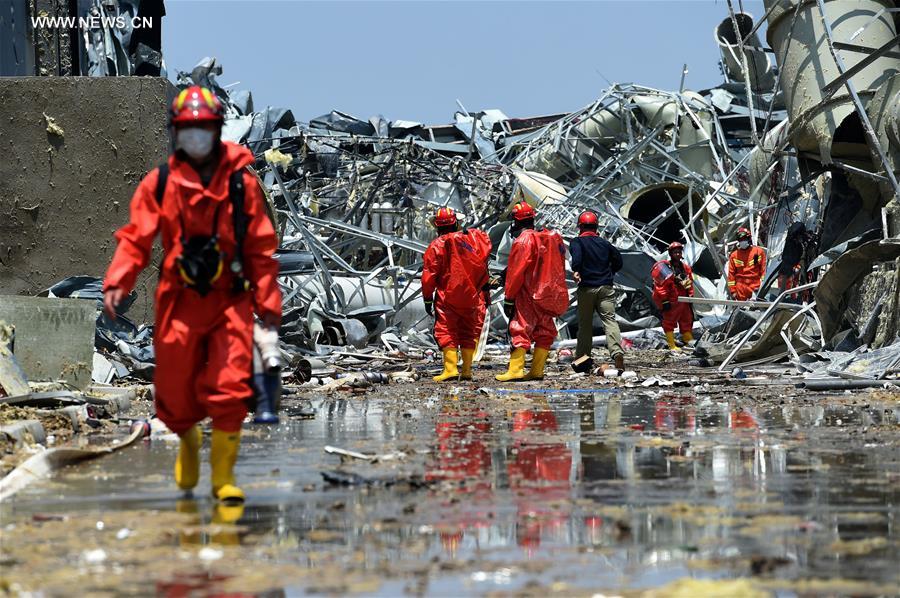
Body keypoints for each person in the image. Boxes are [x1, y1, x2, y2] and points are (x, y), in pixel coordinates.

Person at [102, 85, 281, 503]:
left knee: (230, 385)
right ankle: (187, 442)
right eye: (188, 130)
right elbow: (136, 239)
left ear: (216, 131)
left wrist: (268, 303)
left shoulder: (240, 184)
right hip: (179, 302)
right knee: (176, 392)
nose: (196, 137)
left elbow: (260, 247)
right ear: (175, 133)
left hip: (229, 301)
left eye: (203, 129)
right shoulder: (159, 183)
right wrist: (117, 281)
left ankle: (223, 478)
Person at [496, 202, 569, 381]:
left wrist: (509, 298)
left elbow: (516, 272)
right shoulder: (550, 238)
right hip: (549, 294)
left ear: (515, 220)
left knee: (520, 329)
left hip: (528, 294)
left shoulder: (524, 240)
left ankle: (515, 370)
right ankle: (537, 370)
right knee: (545, 331)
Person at [421, 207, 492, 382]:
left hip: (448, 296)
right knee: (468, 331)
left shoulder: (436, 245)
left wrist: (428, 298)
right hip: (473, 296)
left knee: (446, 330)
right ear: (456, 222)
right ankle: (467, 370)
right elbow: (484, 266)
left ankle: (451, 369)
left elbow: (429, 275)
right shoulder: (473, 241)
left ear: (437, 226)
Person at [570, 210, 625, 371]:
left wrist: (576, 269)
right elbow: (618, 261)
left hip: (587, 288)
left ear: (580, 227)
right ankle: (616, 353)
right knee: (610, 321)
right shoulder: (605, 243)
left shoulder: (577, 242)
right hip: (606, 288)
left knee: (585, 325)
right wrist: (610, 273)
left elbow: (577, 257)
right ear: (596, 227)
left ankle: (582, 358)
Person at [651, 241, 694, 351]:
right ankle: (671, 344)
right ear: (671, 253)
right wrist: (664, 301)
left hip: (683, 298)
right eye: (675, 252)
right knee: (669, 321)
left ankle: (687, 339)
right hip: (671, 299)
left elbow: (689, 282)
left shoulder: (685, 268)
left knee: (687, 319)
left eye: (679, 252)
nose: (678, 254)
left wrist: (690, 294)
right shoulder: (665, 268)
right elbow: (661, 286)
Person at [727, 227, 766, 301]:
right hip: (740, 290)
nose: (742, 241)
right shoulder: (734, 255)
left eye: (744, 239)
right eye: (740, 240)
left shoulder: (758, 252)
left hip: (755, 288)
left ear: (749, 238)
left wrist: (761, 287)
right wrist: (733, 292)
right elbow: (731, 275)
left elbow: (763, 271)